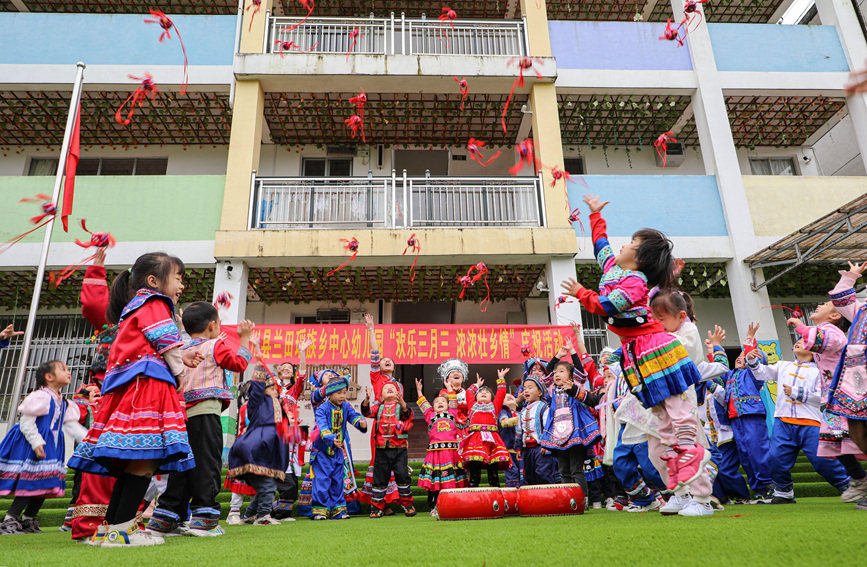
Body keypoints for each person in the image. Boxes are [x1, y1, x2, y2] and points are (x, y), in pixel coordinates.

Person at [561, 194, 705, 495]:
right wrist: (596, 217)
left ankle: (700, 494)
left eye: (630, 243)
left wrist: (582, 293)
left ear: (639, 259)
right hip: (638, 354)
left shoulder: (635, 281)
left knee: (678, 421)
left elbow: (610, 306)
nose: (622, 244)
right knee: (661, 431)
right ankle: (680, 491)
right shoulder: (614, 268)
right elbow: (601, 246)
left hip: (655, 350)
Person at [68, 252, 203, 548]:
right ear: (154, 280)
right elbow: (165, 340)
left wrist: (180, 358)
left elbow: (151, 344)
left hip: (133, 388)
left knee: (134, 464)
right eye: (178, 278)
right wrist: (180, 372)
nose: (182, 285)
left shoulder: (133, 306)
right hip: (149, 388)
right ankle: (121, 532)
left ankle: (109, 530)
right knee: (145, 460)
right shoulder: (155, 302)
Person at [146, 303, 254, 536]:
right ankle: (204, 520)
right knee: (207, 465)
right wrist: (245, 340)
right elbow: (238, 364)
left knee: (181, 468)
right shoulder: (215, 344)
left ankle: (165, 520)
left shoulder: (181, 347)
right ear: (213, 325)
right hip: (205, 413)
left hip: (181, 417)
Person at [649, 290, 725, 516]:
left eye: (661, 319)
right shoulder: (661, 333)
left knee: (686, 447)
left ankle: (702, 498)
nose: (657, 323)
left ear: (681, 316)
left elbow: (680, 351)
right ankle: (680, 494)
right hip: (659, 403)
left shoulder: (688, 331)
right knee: (656, 452)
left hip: (680, 401)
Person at [746, 342, 851, 504]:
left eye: (804, 341)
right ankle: (783, 492)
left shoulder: (820, 372)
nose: (798, 342)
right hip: (782, 421)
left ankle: (850, 487)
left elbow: (822, 397)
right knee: (776, 458)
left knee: (822, 460)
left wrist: (796, 393)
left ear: (814, 352)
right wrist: (752, 361)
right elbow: (762, 374)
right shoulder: (783, 366)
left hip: (810, 423)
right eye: (798, 340)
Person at [790, 298, 867, 508]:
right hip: (835, 402)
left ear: (835, 316)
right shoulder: (825, 329)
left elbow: (823, 340)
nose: (819, 305)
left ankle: (861, 480)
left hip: (846, 401)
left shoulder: (831, 330)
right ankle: (860, 479)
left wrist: (801, 327)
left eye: (825, 304)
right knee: (836, 443)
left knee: (844, 441)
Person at [69, 248, 121, 541]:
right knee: (103, 460)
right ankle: (91, 525)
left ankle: (126, 523)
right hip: (109, 396)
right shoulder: (115, 324)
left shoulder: (155, 324)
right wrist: (97, 267)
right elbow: (92, 303)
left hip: (138, 400)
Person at [0, 361, 87, 535]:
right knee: (31, 480)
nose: (68, 372)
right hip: (30, 441)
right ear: (49, 377)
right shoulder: (41, 396)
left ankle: (28, 519)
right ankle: (10, 519)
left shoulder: (64, 402)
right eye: (63, 369)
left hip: (51, 443)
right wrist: (36, 442)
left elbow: (72, 426)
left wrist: (92, 440)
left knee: (44, 482)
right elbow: (26, 422)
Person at [226, 364, 293, 525]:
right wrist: (259, 362)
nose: (275, 390)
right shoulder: (258, 403)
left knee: (267, 486)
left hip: (267, 451)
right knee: (268, 487)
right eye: (271, 388)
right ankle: (263, 516)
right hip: (255, 450)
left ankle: (249, 515)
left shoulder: (278, 404)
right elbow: (256, 387)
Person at [716, 323, 774, 503]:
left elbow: (752, 359)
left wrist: (749, 337)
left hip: (752, 416)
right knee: (745, 455)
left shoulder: (753, 375)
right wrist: (714, 348)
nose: (741, 357)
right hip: (735, 420)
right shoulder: (730, 375)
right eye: (739, 355)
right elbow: (716, 370)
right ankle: (757, 491)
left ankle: (769, 486)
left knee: (758, 451)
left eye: (745, 355)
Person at [358, 315, 403, 512]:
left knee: (396, 461)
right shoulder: (377, 379)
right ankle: (378, 504)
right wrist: (370, 329)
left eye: (389, 361)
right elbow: (374, 352)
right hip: (379, 426)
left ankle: (390, 501)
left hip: (397, 428)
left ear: (394, 367)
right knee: (380, 462)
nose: (384, 361)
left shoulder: (398, 385)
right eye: (382, 361)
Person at [540, 360, 603, 496]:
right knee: (564, 470)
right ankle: (568, 499)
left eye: (561, 371)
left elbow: (580, 373)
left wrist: (573, 351)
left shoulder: (576, 387)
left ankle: (582, 499)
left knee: (576, 469)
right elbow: (547, 372)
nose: (556, 374)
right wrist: (558, 356)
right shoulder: (553, 391)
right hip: (558, 434)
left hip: (575, 434)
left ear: (571, 377)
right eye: (555, 372)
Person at [309, 375, 368, 520]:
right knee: (322, 480)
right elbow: (321, 425)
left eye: (344, 392)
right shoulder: (322, 408)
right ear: (329, 393)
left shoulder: (346, 406)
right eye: (339, 393)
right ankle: (320, 510)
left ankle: (338, 510)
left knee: (338, 480)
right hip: (322, 451)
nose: (343, 396)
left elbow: (353, 416)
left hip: (339, 451)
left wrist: (360, 422)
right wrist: (330, 438)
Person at [826, 263, 867, 461]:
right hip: (856, 383)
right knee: (858, 432)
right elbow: (841, 297)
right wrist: (852, 275)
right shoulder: (860, 310)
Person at [271, 338, 312, 521]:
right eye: (283, 366)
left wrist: (302, 352)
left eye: (290, 367)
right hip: (272, 430)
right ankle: (268, 509)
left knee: (290, 472)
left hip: (290, 432)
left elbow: (302, 375)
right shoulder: (271, 385)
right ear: (277, 370)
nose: (287, 368)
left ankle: (282, 512)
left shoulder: (295, 389)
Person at [361, 383, 415, 518]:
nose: (389, 389)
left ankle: (407, 504)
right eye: (385, 388)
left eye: (393, 388)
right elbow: (366, 412)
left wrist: (403, 404)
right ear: (381, 396)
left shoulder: (400, 407)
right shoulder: (378, 407)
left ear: (399, 394)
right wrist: (367, 400)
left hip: (399, 450)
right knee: (379, 478)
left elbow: (408, 416)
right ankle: (376, 507)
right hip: (381, 449)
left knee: (402, 476)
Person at [416, 379, 468, 517]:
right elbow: (424, 405)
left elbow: (453, 400)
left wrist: (449, 388)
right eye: (437, 402)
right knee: (435, 482)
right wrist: (419, 391)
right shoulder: (430, 415)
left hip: (451, 453)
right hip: (436, 454)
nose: (440, 403)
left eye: (442, 401)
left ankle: (455, 505)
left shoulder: (452, 413)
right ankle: (434, 506)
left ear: (448, 405)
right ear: (432, 407)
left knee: (453, 481)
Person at [461, 369, 512, 487]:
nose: (483, 393)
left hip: (492, 439)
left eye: (487, 392)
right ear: (476, 396)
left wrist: (501, 378)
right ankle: (473, 485)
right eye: (480, 392)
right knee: (475, 464)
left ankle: (495, 486)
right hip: (476, 439)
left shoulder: (495, 406)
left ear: (492, 397)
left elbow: (501, 393)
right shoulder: (472, 406)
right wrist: (476, 385)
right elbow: (468, 392)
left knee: (492, 465)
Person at [516, 374, 558, 485]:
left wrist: (546, 444)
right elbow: (520, 431)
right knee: (529, 475)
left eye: (530, 387)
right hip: (528, 450)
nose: (526, 391)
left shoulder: (544, 408)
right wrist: (519, 448)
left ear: (540, 393)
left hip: (541, 448)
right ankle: (534, 499)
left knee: (543, 473)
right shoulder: (524, 411)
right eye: (524, 388)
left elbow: (548, 428)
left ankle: (548, 497)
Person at [225, 382, 257, 525]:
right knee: (240, 481)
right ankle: (234, 512)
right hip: (246, 448)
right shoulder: (248, 407)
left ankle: (254, 513)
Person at [438, 358, 477, 435]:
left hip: (467, 427)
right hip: (450, 427)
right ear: (447, 379)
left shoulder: (467, 393)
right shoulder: (443, 393)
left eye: (459, 372)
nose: (456, 373)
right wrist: (452, 391)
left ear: (463, 378)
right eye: (452, 372)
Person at [499, 393, 521, 488]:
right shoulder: (503, 411)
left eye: (511, 395)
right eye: (504, 396)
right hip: (507, 450)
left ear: (516, 404)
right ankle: (511, 494)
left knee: (522, 473)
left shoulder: (521, 412)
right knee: (512, 472)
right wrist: (523, 419)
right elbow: (504, 422)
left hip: (520, 451)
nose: (509, 396)